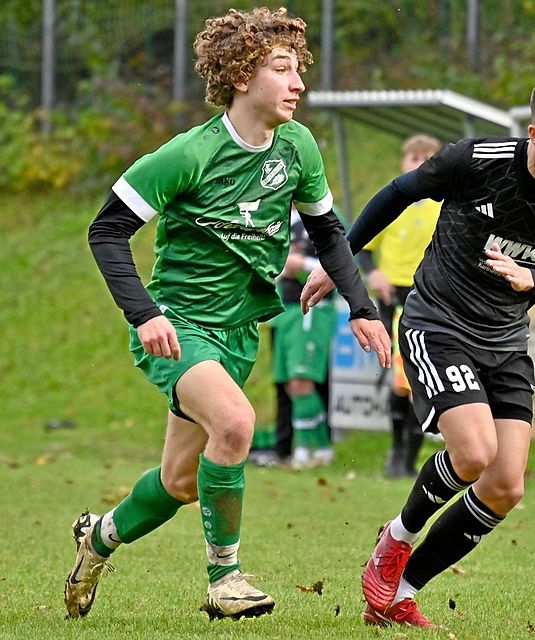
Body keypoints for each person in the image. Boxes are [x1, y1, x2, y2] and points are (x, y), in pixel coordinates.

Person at [67, 7, 390, 621]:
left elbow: (328, 234)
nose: (297, 82)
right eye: (281, 68)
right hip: (178, 328)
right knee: (238, 426)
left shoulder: (296, 147)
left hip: (240, 333)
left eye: (299, 70)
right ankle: (226, 578)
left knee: (179, 484)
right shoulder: (189, 154)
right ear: (243, 76)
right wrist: (144, 314)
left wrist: (362, 308)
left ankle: (98, 536)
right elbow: (106, 232)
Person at [302, 74, 535, 629]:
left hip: (505, 342)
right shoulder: (475, 161)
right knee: (472, 454)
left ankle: (400, 590)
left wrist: (530, 280)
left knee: (505, 485)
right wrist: (340, 259)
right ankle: (394, 541)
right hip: (438, 324)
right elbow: (399, 193)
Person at [357, 133, 442, 478]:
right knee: (400, 377)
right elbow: (362, 245)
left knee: (418, 378)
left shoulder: (446, 205)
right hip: (393, 297)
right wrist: (373, 273)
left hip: (429, 298)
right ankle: (397, 452)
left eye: (427, 158)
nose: (419, 165)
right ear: (402, 163)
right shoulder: (392, 203)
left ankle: (408, 458)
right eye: (413, 158)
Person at [271, 209, 338, 469]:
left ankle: (305, 450)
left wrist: (302, 265)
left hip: (312, 307)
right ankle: (321, 449)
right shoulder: (272, 217)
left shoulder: (323, 216)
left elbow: (340, 261)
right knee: (290, 384)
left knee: (302, 381)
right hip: (284, 309)